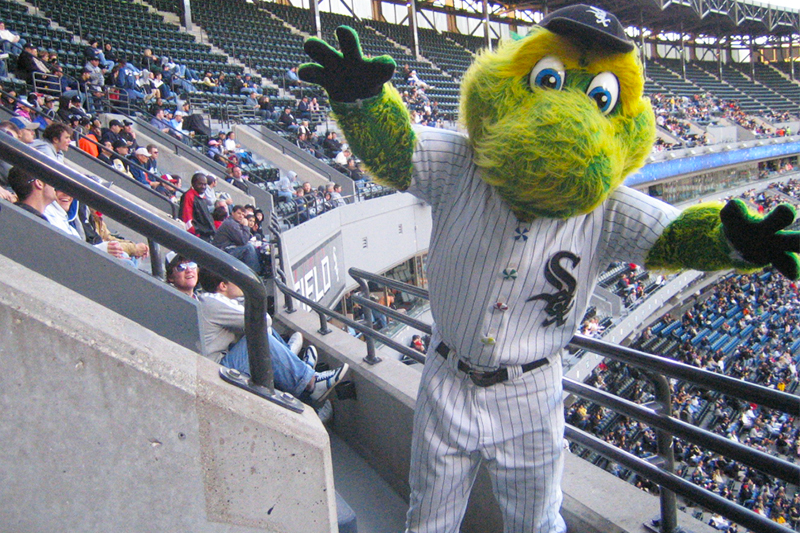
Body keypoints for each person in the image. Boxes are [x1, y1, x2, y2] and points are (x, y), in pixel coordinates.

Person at [196, 268, 349, 404]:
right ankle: (311, 382)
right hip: (216, 371)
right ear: (223, 286)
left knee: (261, 335)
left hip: (217, 366)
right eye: (235, 280)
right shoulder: (212, 301)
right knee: (261, 338)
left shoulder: (211, 299)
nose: (240, 283)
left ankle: (289, 359)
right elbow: (262, 321)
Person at [212, 204, 262, 274]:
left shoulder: (234, 222)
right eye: (239, 213)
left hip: (228, 248)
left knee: (252, 246)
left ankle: (261, 270)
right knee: (249, 247)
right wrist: (245, 226)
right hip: (222, 252)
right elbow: (243, 241)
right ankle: (254, 275)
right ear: (232, 213)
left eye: (243, 215)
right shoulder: (230, 224)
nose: (241, 216)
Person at [178, 172, 216, 241]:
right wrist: (196, 234)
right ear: (193, 184)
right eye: (200, 184)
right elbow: (187, 219)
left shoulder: (201, 197)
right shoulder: (189, 196)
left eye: (205, 185)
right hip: (197, 237)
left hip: (206, 235)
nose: (203, 187)